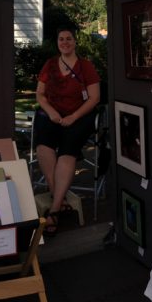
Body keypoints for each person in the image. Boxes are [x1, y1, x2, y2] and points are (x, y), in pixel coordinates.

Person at [34, 27, 101, 236]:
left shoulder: (85, 66)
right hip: (53, 115)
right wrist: (52, 112)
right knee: (43, 147)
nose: (65, 42)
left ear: (75, 42)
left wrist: (73, 117)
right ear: (57, 43)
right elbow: (40, 95)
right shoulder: (50, 65)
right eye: (61, 39)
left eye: (69, 39)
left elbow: (94, 98)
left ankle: (54, 210)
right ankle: (59, 195)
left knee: (67, 151)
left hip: (79, 116)